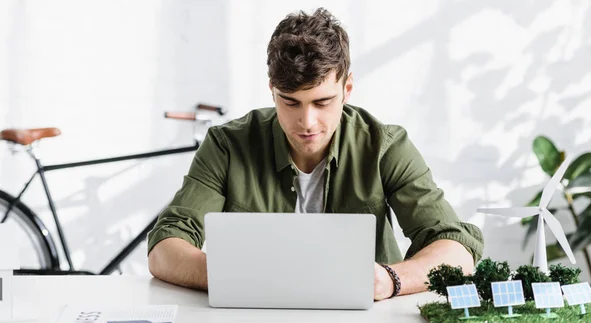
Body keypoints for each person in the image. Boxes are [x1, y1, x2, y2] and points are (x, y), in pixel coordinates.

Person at [147, 7, 484, 301]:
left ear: (346, 88)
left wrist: (390, 280)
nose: (307, 122)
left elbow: (457, 249)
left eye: (322, 102)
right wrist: (231, 277)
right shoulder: (227, 145)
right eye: (290, 102)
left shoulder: (385, 146)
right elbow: (165, 246)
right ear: (272, 91)